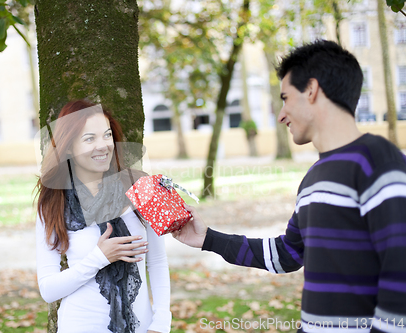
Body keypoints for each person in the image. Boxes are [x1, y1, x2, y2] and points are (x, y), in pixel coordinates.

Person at [173, 40, 406, 333]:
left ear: (312, 90)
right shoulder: (314, 178)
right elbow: (287, 254)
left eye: (285, 98)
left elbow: (400, 273)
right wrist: (209, 239)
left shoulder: (379, 160)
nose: (281, 114)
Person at [35, 100, 171, 333]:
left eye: (107, 135)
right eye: (89, 139)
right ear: (68, 147)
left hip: (142, 326)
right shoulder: (54, 202)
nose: (103, 145)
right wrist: (99, 257)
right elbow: (48, 289)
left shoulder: (140, 186)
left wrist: (161, 322)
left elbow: (157, 261)